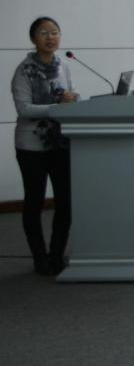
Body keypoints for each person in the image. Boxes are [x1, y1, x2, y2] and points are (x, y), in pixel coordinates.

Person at [11, 16, 79, 276]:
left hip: (60, 142)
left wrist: (72, 98)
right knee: (34, 202)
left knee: (66, 202)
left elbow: (70, 93)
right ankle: (40, 257)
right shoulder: (24, 70)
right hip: (31, 146)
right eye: (43, 33)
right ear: (33, 39)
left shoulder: (63, 65)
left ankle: (56, 255)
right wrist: (57, 106)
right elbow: (24, 109)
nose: (50, 37)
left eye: (55, 32)